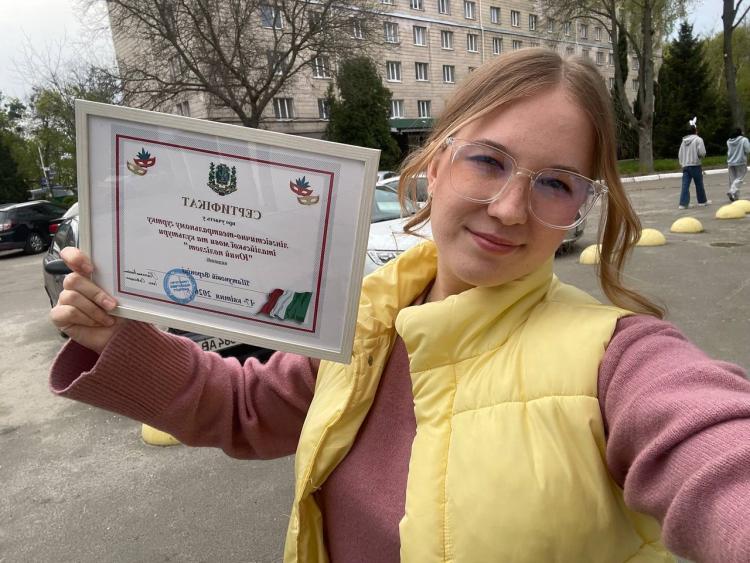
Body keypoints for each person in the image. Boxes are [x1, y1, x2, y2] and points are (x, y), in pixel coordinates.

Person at [49, 49, 750, 563]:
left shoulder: (618, 359)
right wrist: (116, 337)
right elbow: (245, 407)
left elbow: (715, 451)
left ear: (581, 206)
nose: (510, 208)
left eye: (556, 183)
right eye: (488, 161)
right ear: (436, 163)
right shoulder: (364, 319)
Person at [677, 118, 710, 210]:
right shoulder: (698, 140)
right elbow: (702, 152)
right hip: (695, 165)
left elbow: (680, 154)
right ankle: (702, 201)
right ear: (695, 130)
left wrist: (682, 163)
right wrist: (700, 157)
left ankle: (683, 204)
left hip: (685, 166)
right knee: (699, 184)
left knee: (685, 185)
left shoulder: (683, 141)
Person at [726, 127, 750, 201]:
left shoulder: (728, 141)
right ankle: (732, 191)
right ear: (740, 132)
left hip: (730, 162)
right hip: (741, 162)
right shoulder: (744, 140)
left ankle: (735, 197)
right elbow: (748, 150)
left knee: (733, 180)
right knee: (739, 178)